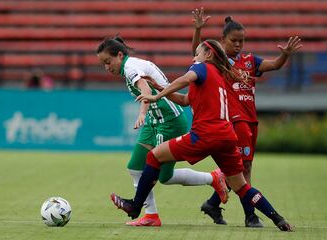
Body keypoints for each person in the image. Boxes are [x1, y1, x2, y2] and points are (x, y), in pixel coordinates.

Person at [110, 39, 294, 232]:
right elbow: (184, 100)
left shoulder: (202, 68)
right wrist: (158, 87)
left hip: (205, 135)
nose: (194, 57)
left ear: (208, 55)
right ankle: (278, 218)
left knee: (153, 156)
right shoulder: (218, 76)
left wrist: (156, 96)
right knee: (241, 186)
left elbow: (184, 80)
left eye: (197, 53)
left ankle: (135, 206)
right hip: (226, 137)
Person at [97, 36, 228, 227]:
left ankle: (213, 178)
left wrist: (142, 112)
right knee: (135, 167)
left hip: (169, 121)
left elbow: (144, 87)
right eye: (103, 64)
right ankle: (151, 216)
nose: (107, 67)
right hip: (155, 119)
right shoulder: (130, 65)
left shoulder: (130, 67)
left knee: (164, 176)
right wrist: (146, 114)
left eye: (108, 62)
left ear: (119, 55)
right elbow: (146, 88)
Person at [191, 8, 302, 226]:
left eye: (242, 41)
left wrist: (285, 54)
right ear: (223, 40)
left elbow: (275, 65)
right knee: (243, 169)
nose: (239, 45)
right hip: (234, 120)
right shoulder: (219, 61)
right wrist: (198, 31)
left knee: (240, 169)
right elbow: (197, 53)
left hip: (251, 119)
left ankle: (213, 204)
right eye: (234, 40)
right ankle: (250, 216)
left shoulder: (250, 61)